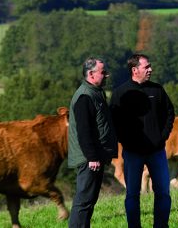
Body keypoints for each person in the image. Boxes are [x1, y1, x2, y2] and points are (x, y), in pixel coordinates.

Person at [111, 53, 175, 228]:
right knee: (132, 194)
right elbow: (114, 122)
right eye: (146, 67)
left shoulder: (157, 90)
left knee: (163, 192)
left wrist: (162, 136)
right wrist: (127, 142)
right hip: (132, 153)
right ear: (134, 70)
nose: (150, 70)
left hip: (157, 152)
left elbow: (169, 113)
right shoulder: (120, 93)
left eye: (150, 66)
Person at [68, 57, 118, 228]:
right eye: (103, 72)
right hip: (88, 159)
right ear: (91, 74)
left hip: (94, 156)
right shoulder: (84, 96)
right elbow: (84, 131)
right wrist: (92, 157)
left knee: (89, 200)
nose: (107, 75)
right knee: (83, 201)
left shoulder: (95, 92)